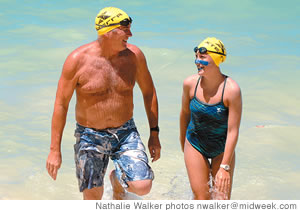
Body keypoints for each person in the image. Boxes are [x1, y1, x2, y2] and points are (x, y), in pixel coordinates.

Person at [46, 7, 161, 200]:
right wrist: (54, 150)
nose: (130, 34)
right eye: (125, 30)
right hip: (89, 136)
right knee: (93, 198)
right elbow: (61, 104)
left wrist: (154, 134)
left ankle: (118, 179)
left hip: (126, 133)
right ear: (108, 32)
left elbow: (149, 93)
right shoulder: (77, 60)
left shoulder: (134, 57)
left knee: (142, 186)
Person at [179, 37, 242, 200]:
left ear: (216, 60)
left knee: (222, 199)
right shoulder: (190, 84)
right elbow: (184, 114)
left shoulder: (231, 90)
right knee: (202, 198)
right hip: (195, 144)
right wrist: (183, 144)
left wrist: (225, 167)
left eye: (203, 58)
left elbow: (233, 130)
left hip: (221, 148)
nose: (197, 61)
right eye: (196, 57)